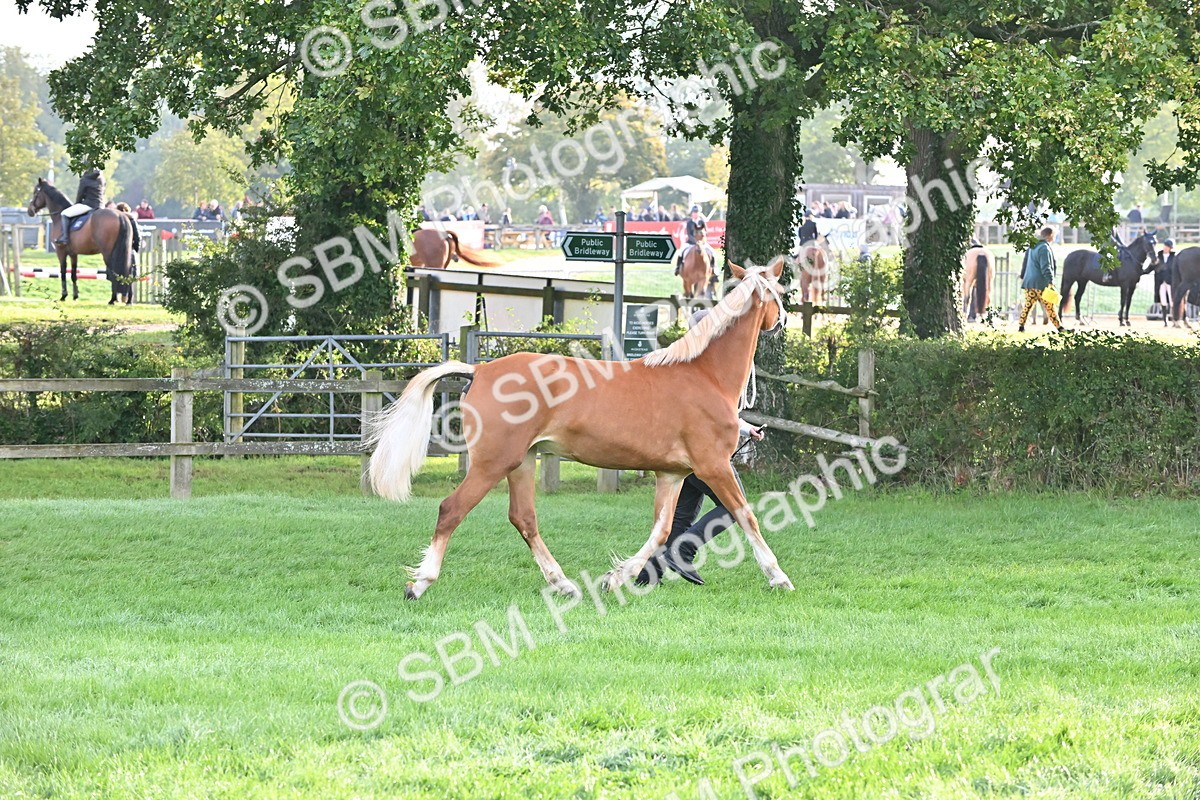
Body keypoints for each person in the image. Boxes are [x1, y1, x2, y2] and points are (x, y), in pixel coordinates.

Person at [637, 312, 766, 586]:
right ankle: (685, 550)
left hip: (680, 453)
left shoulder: (687, 363)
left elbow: (712, 411)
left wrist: (745, 428)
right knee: (734, 507)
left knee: (679, 518)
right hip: (699, 453)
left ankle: (649, 575)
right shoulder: (697, 367)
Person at [1017, 227, 1063, 332]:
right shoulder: (1044, 248)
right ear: (1050, 235)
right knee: (1050, 306)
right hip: (1041, 283)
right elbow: (1046, 267)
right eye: (1054, 236)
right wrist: (1050, 281)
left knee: (1028, 305)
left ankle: (1021, 326)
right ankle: (1060, 328)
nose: (1054, 239)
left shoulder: (1033, 246)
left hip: (1029, 283)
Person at [54, 167, 106, 246]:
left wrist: (76, 204)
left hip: (89, 205)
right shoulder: (101, 178)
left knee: (64, 213)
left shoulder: (85, 179)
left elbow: (80, 195)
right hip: (101, 206)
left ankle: (65, 238)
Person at [674, 205, 716, 276]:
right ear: (692, 213)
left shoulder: (702, 222)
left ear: (699, 213)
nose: (695, 214)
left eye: (697, 212)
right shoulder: (689, 223)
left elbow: (706, 232)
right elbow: (689, 234)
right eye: (694, 212)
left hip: (702, 243)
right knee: (681, 252)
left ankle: (713, 268)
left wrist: (701, 241)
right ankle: (678, 268)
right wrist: (695, 242)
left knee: (712, 252)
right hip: (691, 243)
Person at [1156, 239, 1178, 327]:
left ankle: (1174, 319)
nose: (1165, 248)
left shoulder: (1174, 257)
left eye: (1167, 246)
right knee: (1163, 300)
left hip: (1171, 281)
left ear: (1170, 248)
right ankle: (1165, 321)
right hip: (1161, 281)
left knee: (1172, 301)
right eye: (1165, 246)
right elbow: (1152, 266)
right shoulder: (1159, 256)